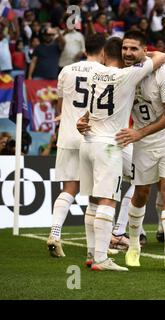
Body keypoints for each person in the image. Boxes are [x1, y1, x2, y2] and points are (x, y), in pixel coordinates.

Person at [77, 36, 165, 271]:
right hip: (109, 145)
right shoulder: (127, 75)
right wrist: (142, 56)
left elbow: (91, 105)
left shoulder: (95, 72)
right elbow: (163, 57)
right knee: (108, 199)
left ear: (104, 55)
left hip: (87, 142)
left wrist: (83, 120)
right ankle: (100, 259)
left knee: (94, 201)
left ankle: (91, 253)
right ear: (120, 55)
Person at [113, 31, 165, 270]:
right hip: (143, 145)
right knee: (141, 194)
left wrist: (139, 133)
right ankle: (133, 246)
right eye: (125, 48)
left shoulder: (163, 72)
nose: (128, 53)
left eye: (134, 48)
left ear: (145, 50)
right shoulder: (124, 75)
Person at [46, 34, 106, 258]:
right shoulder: (105, 73)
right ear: (102, 53)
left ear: (84, 50)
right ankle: (94, 250)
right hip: (93, 137)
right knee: (97, 193)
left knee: (69, 188)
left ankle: (55, 232)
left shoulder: (66, 71)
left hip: (68, 135)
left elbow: (60, 108)